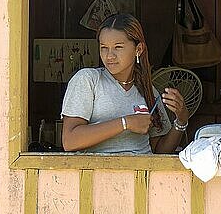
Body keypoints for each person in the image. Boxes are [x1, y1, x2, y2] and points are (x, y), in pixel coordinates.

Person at [61, 13, 189, 154]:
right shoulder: (88, 80)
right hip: (100, 173)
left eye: (118, 47)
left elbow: (159, 150)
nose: (109, 55)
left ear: (138, 49)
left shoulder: (149, 91)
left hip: (143, 173)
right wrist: (125, 123)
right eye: (104, 47)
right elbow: (70, 141)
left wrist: (181, 119)